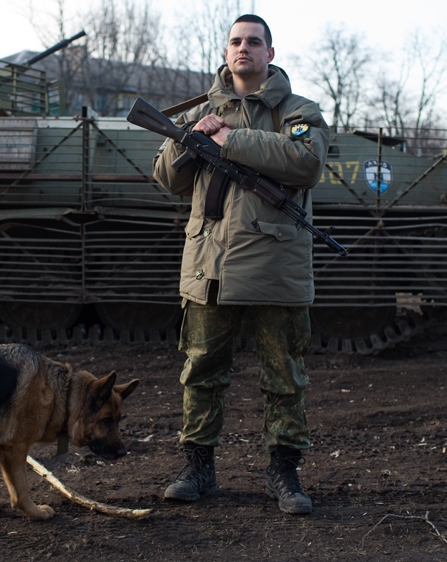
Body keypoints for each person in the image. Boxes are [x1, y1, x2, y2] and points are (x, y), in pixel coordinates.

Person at [152, 14, 328, 515]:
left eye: (254, 41)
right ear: (226, 52)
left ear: (270, 53)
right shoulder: (201, 111)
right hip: (211, 263)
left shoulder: (298, 110)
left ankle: (284, 473)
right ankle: (198, 468)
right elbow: (166, 177)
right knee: (201, 371)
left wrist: (230, 139)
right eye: (235, 41)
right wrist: (191, 137)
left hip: (276, 265)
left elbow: (307, 163)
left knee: (284, 377)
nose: (243, 48)